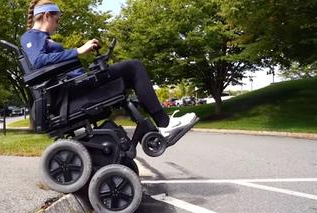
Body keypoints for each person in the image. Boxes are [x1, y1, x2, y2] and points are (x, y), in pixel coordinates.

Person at [20, 0, 197, 137]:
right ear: (46, 16)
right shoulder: (31, 36)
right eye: (56, 20)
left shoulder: (41, 37)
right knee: (134, 67)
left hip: (75, 85)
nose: (57, 25)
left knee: (128, 76)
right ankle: (164, 124)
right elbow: (38, 61)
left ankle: (158, 123)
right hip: (70, 92)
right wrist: (77, 50)